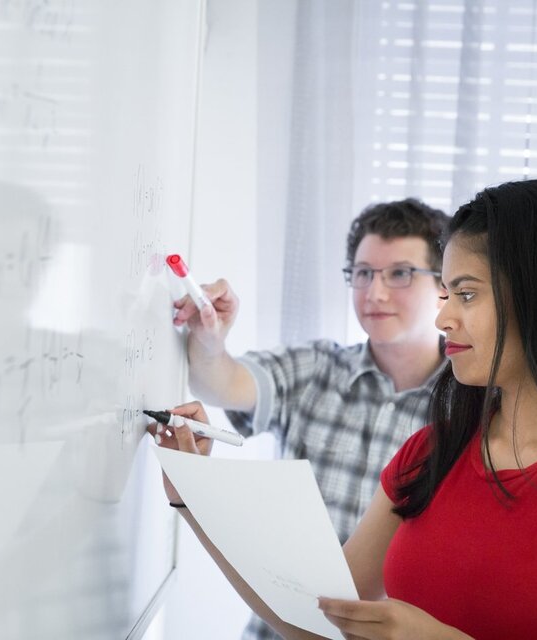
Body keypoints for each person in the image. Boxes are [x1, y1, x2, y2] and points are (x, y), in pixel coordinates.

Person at [153, 179, 537, 639]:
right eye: (447, 296)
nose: (444, 320)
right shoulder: (431, 451)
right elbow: (318, 616)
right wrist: (196, 497)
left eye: (465, 294)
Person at [172, 199, 450, 639]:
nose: (374, 293)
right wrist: (209, 340)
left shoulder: (473, 407)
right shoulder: (317, 366)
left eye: (399, 273)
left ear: (444, 287)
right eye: (362, 273)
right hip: (282, 629)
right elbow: (220, 382)